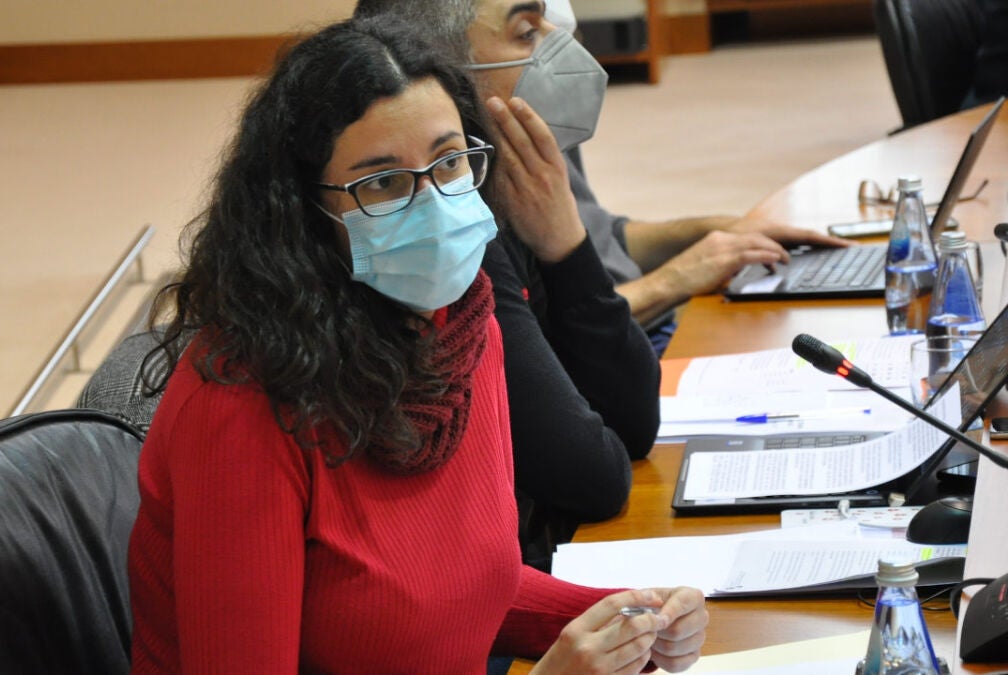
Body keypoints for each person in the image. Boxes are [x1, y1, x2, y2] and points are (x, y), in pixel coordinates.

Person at [127, 16, 707, 673]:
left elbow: (461, 589)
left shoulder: (463, 328)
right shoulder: (241, 403)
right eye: (382, 182)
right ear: (302, 214)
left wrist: (625, 618)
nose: (432, 204)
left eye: (450, 161)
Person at [353, 0, 849, 354]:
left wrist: (714, 233)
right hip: (600, 345)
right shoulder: (451, 200)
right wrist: (677, 278)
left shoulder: (530, 131)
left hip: (628, 328)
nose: (560, 44)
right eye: (527, 32)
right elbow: (536, 338)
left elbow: (600, 236)